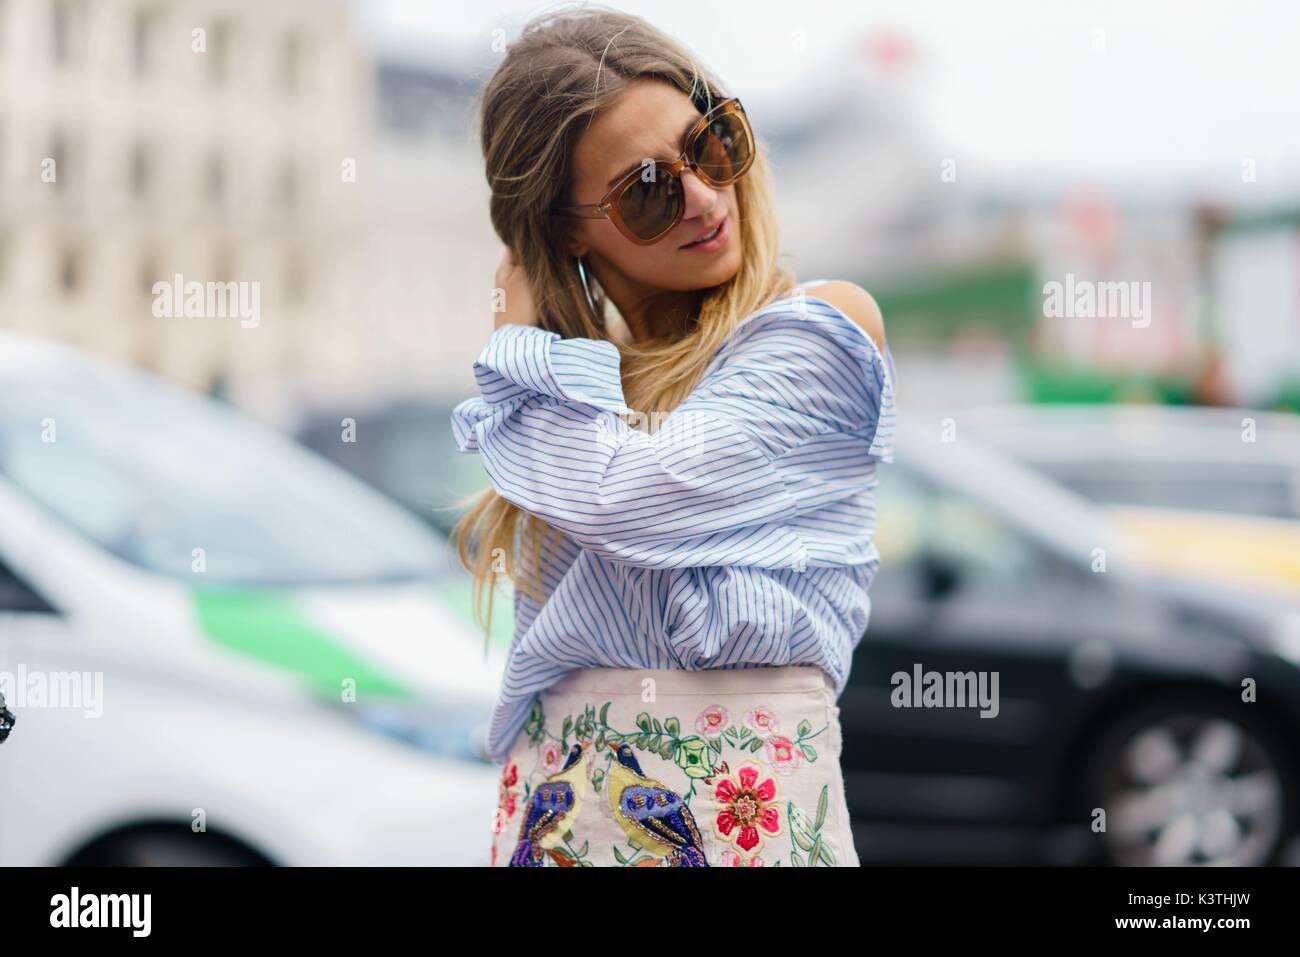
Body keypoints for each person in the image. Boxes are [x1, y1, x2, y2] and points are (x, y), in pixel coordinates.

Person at [450, 5, 895, 868]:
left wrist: (517, 349)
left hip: (746, 819)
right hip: (557, 815)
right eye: (646, 190)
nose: (701, 197)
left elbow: (627, 500)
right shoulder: (582, 396)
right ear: (565, 229)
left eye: (711, 144)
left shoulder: (822, 331)